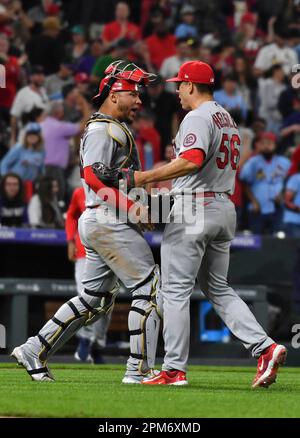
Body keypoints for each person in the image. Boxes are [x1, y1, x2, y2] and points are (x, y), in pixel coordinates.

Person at [117, 61, 287, 388]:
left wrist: (145, 176)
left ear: (192, 86)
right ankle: (265, 347)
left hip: (196, 207)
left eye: (180, 85)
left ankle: (173, 370)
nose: (177, 91)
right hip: (223, 207)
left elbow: (192, 159)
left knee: (176, 290)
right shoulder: (227, 117)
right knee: (218, 288)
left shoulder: (196, 116)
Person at [11, 60, 162, 385]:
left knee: (94, 300)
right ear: (114, 92)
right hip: (109, 220)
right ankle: (139, 371)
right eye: (134, 92)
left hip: (102, 220)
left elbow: (111, 178)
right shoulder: (103, 129)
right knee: (150, 290)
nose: (139, 100)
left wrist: (140, 203)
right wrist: (130, 208)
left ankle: (34, 349)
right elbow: (92, 177)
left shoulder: (108, 126)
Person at [66, 186, 112, 364]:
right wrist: (70, 240)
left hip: (110, 251)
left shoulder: (115, 190)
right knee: (86, 299)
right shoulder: (79, 191)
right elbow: (71, 215)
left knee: (106, 302)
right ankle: (85, 339)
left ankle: (98, 344)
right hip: (84, 252)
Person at [240, 132, 290, 234]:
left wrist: (282, 195)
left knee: (278, 240)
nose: (266, 146)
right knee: (256, 241)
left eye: (269, 143)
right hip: (258, 207)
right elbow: (244, 182)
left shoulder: (284, 162)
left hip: (278, 207)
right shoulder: (253, 162)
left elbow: (290, 182)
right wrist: (253, 201)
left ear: (275, 145)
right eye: (263, 143)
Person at [10, 66, 48, 146]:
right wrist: (13, 138)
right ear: (31, 77)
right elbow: (14, 116)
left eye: (42, 75)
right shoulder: (23, 93)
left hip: (41, 136)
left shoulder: (44, 92)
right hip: (26, 136)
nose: (41, 77)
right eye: (38, 75)